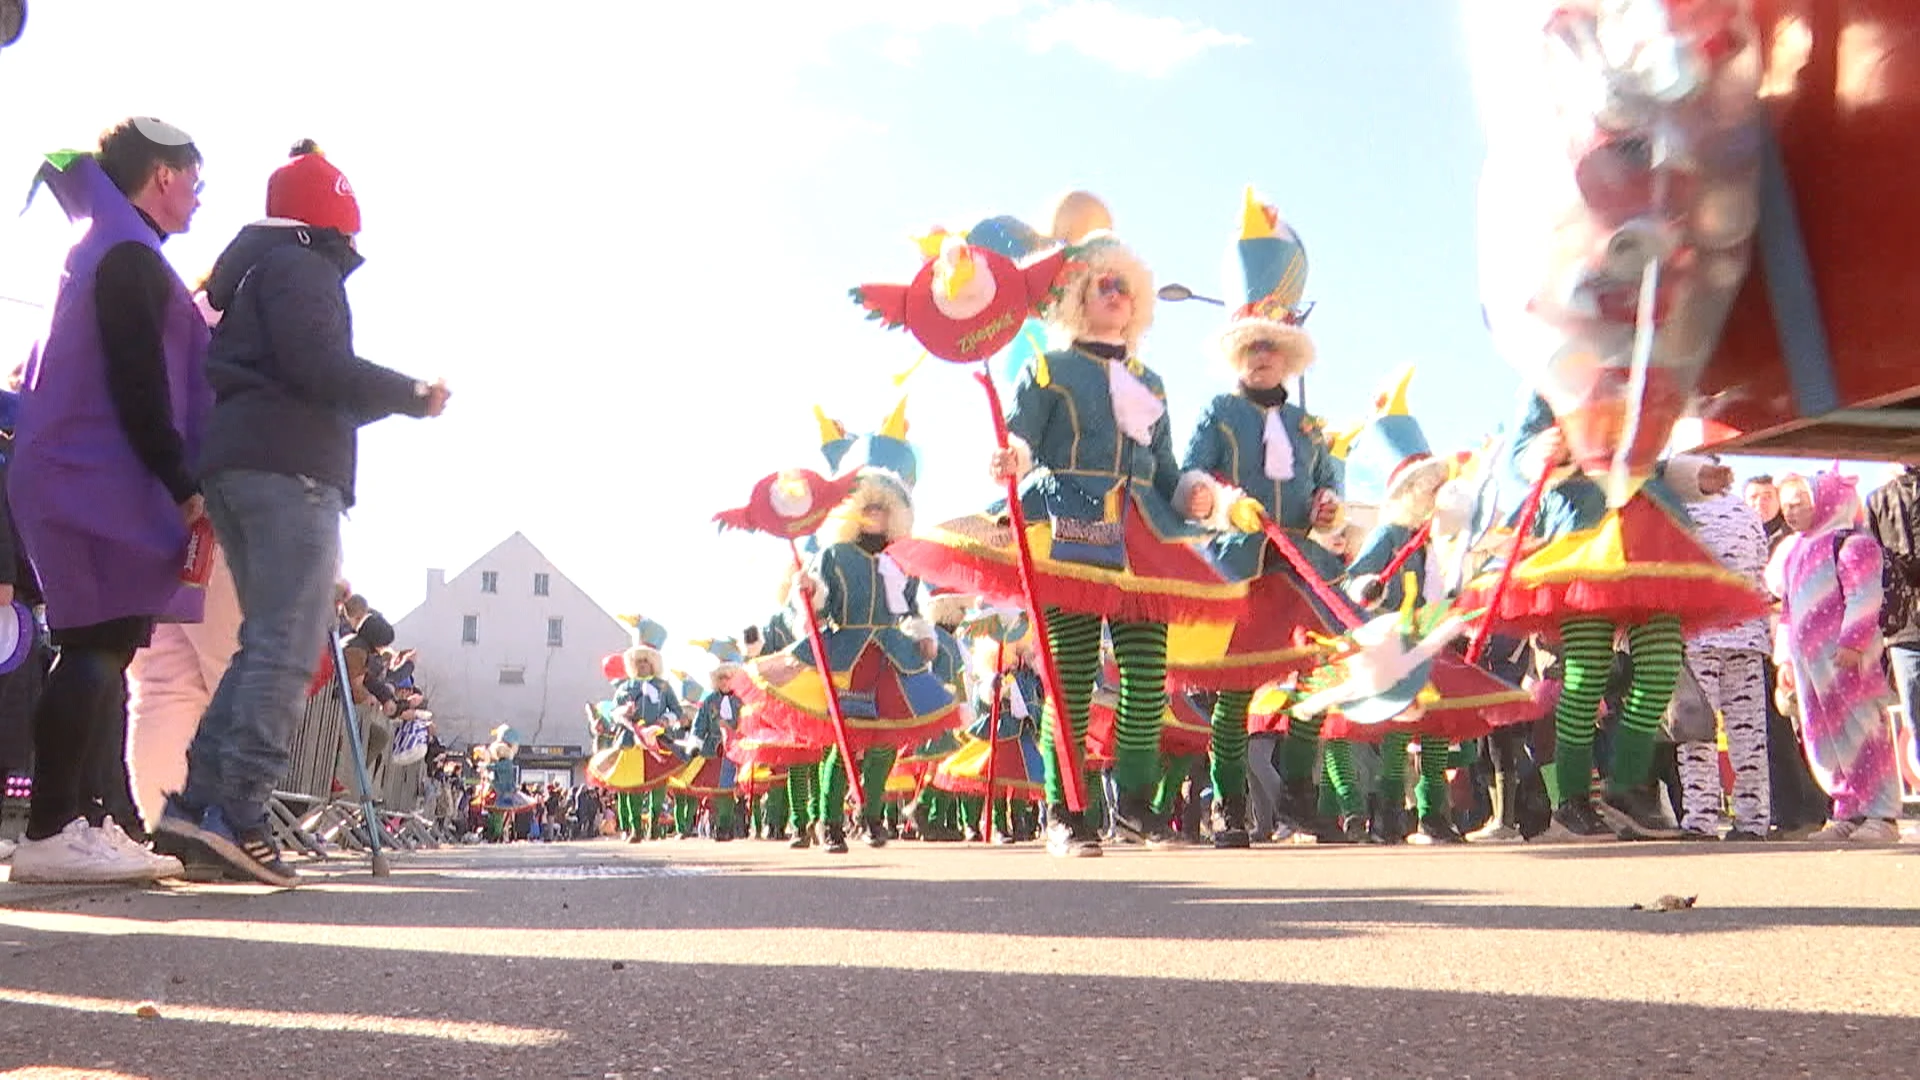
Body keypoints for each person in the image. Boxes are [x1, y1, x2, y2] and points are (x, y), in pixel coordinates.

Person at [887, 226, 1248, 856]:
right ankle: (1067, 810)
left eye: (1125, 286)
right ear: (1076, 295)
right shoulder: (1048, 369)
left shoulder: (1153, 383)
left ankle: (1135, 807)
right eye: (1103, 284)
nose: (1116, 295)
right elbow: (1023, 439)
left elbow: (1164, 468)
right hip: (1070, 525)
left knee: (1145, 674)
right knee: (1072, 676)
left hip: (1141, 535)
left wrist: (1203, 496)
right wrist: (1010, 457)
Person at [154, 140, 449, 888]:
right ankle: (240, 813)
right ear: (336, 222)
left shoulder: (256, 274)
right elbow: (323, 370)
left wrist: (382, 403)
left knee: (264, 645)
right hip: (291, 475)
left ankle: (198, 808)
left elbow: (303, 385)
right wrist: (413, 394)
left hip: (244, 462)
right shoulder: (304, 269)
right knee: (285, 652)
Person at [7, 119, 213, 885]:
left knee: (105, 644)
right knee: (95, 645)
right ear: (162, 176)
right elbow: (137, 381)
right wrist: (182, 481)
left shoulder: (107, 242)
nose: (198, 198)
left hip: (76, 469)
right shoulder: (125, 252)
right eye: (195, 180)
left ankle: (82, 821)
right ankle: (51, 827)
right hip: (89, 472)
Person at [1163, 190, 1344, 849]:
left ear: (1289, 353)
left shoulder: (1308, 422)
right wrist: (1220, 501)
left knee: (1315, 683)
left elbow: (1329, 487)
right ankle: (1229, 807)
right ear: (1238, 353)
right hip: (1239, 564)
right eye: (1253, 346)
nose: (1263, 355)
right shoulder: (1218, 412)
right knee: (1236, 693)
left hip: (1299, 566)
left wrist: (1328, 507)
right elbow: (1188, 480)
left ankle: (1301, 801)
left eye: (1273, 345)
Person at [1769, 469, 1903, 843]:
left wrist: (1854, 642)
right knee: (1822, 737)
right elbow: (1788, 611)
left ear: (1825, 500)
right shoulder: (1795, 551)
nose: (1791, 513)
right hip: (1810, 666)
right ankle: (1847, 807)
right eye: (1786, 506)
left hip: (1848, 661)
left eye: (1799, 504)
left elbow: (1865, 595)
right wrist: (1785, 661)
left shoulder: (1851, 544)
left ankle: (1882, 814)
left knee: (1862, 732)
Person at [1670, 456, 1772, 841]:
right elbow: (1760, 570)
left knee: (1697, 730)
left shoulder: (1682, 515)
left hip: (1700, 637)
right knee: (1749, 731)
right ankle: (1753, 818)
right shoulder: (1746, 514)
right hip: (1747, 635)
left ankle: (1700, 816)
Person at [1866, 464, 1920, 792]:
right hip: (1904, 626)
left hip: (1901, 625)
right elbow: (1873, 563)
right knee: (1914, 713)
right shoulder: (1879, 499)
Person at [1745, 475, 1790, 552]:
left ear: (1779, 501)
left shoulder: (1795, 540)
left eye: (1767, 497)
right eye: (1753, 497)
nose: (1760, 503)